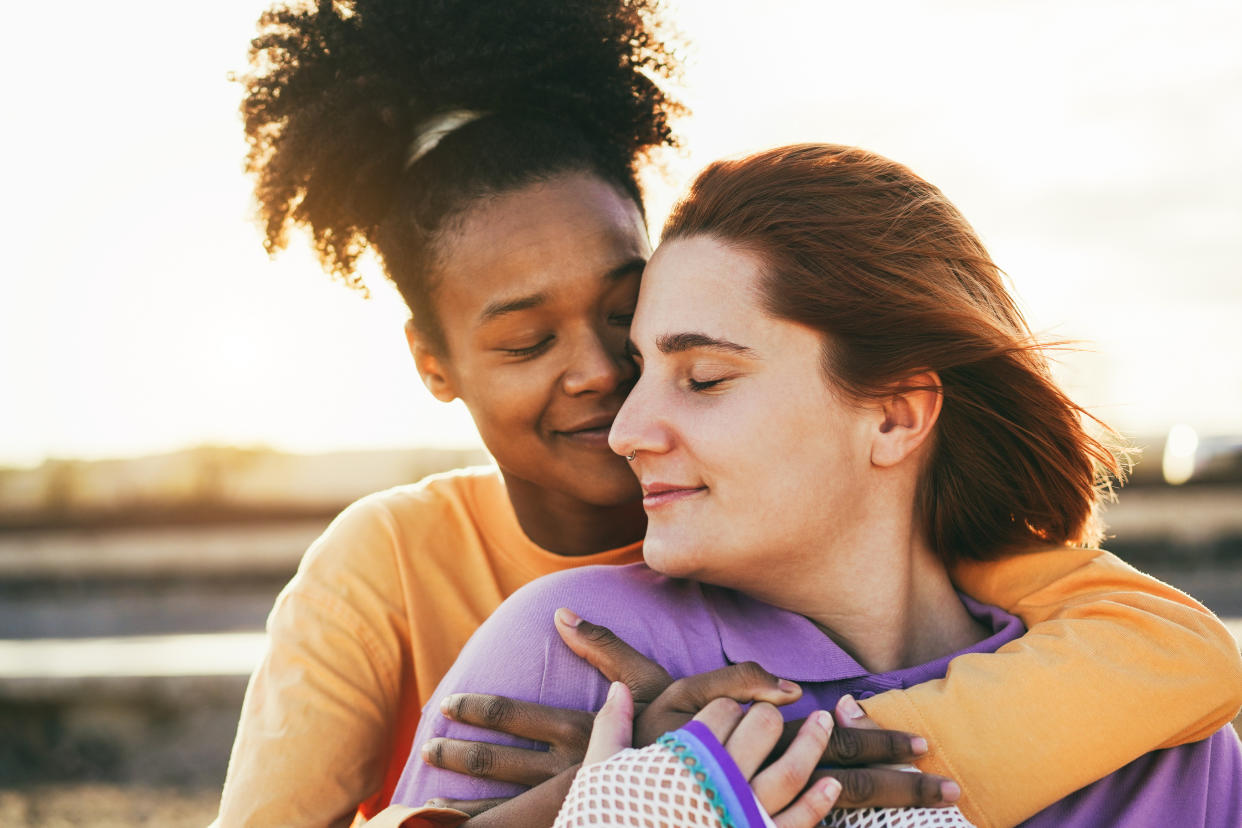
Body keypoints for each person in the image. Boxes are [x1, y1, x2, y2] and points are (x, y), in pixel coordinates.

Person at [215, 1, 1242, 825]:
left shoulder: (958, 558)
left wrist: (804, 762)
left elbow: (1177, 652)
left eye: (634, 325)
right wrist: (585, 802)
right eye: (527, 343)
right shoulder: (414, 577)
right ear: (433, 363)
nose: (613, 393)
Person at [388, 145, 1242, 828]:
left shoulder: (1153, 739)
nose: (626, 431)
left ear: (896, 416)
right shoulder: (569, 654)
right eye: (642, 368)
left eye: (706, 378)